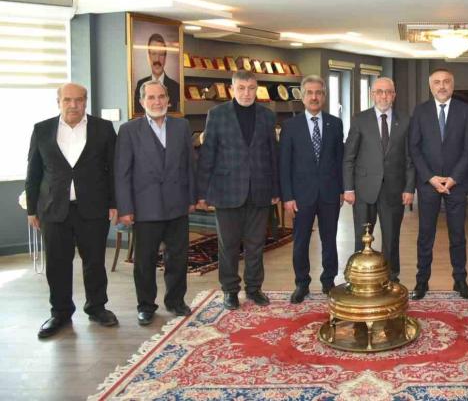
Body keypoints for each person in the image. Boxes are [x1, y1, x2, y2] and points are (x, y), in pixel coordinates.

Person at [25, 83, 119, 338]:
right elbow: (33, 173)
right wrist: (32, 210)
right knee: (57, 264)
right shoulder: (42, 129)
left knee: (94, 262)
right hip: (54, 209)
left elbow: (113, 169)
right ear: (58, 102)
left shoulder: (103, 129)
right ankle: (60, 312)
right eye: (67, 100)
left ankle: (97, 307)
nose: (73, 105)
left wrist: (114, 203)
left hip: (93, 208)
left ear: (85, 101)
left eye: (78, 100)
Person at [196, 70, 280, 309]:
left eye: (251, 88)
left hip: (260, 190)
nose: (246, 93)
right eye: (241, 88)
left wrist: (276, 189)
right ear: (232, 89)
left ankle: (254, 288)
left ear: (256, 89)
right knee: (228, 246)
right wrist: (202, 193)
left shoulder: (267, 116)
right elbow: (207, 155)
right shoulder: (217, 115)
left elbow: (273, 155)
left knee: (256, 245)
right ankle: (230, 290)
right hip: (226, 190)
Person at [115, 80, 197, 326]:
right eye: (151, 97)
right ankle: (146, 305)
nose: (157, 102)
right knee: (144, 261)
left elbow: (190, 165)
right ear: (142, 102)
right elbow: (122, 173)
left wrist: (192, 198)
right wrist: (125, 208)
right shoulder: (129, 130)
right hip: (145, 208)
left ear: (168, 100)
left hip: (177, 205)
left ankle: (176, 301)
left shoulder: (182, 126)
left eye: (161, 97)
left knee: (178, 258)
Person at [408, 68, 468, 300]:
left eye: (446, 81)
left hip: (456, 184)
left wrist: (454, 178)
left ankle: (460, 280)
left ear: (452, 85)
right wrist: (431, 177)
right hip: (429, 184)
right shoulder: (420, 111)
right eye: (437, 82)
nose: (442, 86)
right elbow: (414, 148)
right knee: (425, 236)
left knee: (458, 235)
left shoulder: (465, 111)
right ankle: (421, 282)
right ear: (431, 86)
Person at [279, 75, 344, 303]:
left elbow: (340, 159)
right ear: (303, 96)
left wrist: (342, 190)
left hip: (329, 193)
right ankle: (302, 283)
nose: (314, 97)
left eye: (318, 93)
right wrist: (287, 196)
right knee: (301, 241)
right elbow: (284, 164)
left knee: (330, 239)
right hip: (300, 195)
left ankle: (328, 281)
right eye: (309, 93)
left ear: (324, 96)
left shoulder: (335, 124)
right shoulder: (290, 126)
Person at [343, 77, 415, 282]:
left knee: (391, 238)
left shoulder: (405, 120)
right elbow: (349, 157)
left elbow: (410, 158)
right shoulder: (360, 119)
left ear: (394, 95)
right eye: (380, 92)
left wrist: (409, 188)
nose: (384, 96)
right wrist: (348, 188)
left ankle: (391, 277)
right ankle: (359, 277)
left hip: (394, 189)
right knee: (361, 236)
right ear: (372, 94)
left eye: (388, 92)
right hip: (364, 189)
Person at [134, 33, 181, 113]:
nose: (157, 59)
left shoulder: (176, 87)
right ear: (148, 56)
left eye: (161, 55)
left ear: (165, 57)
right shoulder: (140, 84)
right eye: (153, 54)